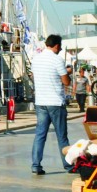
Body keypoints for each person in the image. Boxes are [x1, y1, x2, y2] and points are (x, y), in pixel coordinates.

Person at [31, 33, 72, 176]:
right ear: (57, 46)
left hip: (41, 102)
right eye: (59, 47)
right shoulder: (57, 60)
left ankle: (36, 165)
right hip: (55, 102)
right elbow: (66, 82)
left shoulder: (35, 60)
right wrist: (68, 73)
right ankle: (68, 165)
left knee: (40, 135)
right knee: (62, 136)